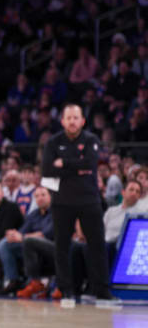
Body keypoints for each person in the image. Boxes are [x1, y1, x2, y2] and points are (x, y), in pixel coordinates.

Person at [42, 104, 114, 305]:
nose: (72, 121)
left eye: (76, 117)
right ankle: (66, 292)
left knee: (97, 245)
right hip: (61, 203)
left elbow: (90, 164)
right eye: (69, 117)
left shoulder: (91, 140)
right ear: (62, 120)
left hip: (89, 200)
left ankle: (103, 292)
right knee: (62, 248)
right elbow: (47, 170)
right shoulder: (53, 142)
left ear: (83, 120)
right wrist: (77, 167)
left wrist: (63, 164)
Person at [0, 186, 54, 295]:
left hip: (51, 247)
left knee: (29, 242)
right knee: (4, 243)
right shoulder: (33, 214)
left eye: (43, 195)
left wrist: (23, 237)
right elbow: (22, 232)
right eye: (37, 196)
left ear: (50, 196)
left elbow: (46, 234)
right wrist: (13, 235)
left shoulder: (55, 213)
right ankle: (12, 281)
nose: (40, 198)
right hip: (29, 245)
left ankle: (34, 281)